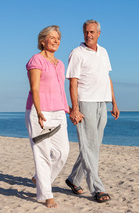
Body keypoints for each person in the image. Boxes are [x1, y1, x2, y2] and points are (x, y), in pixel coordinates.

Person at [65, 20, 120, 203]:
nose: (89, 35)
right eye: (86, 32)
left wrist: (114, 102)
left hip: (101, 103)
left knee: (93, 146)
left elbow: (107, 78)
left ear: (99, 33)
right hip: (85, 102)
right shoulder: (77, 53)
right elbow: (73, 82)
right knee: (88, 146)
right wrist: (75, 109)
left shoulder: (104, 52)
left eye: (92, 32)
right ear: (83, 33)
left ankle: (73, 179)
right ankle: (97, 188)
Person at [25, 25, 70, 208]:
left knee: (62, 153)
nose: (55, 40)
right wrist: (39, 111)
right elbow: (34, 88)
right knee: (42, 154)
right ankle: (46, 195)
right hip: (39, 112)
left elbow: (60, 90)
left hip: (59, 112)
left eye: (58, 37)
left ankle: (39, 179)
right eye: (51, 37)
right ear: (42, 41)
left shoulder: (60, 64)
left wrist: (69, 108)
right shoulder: (36, 60)